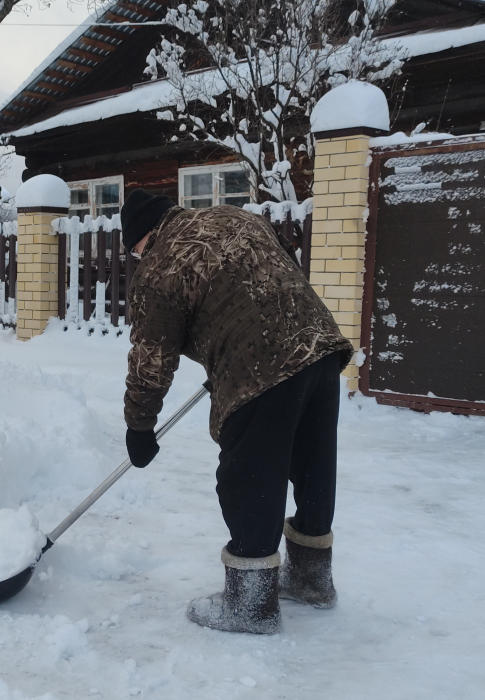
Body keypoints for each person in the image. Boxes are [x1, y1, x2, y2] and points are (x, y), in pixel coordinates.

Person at [119, 188, 352, 635]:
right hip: (319, 344)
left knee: (248, 475)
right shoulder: (233, 216)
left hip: (261, 367)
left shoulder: (159, 266)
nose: (137, 258)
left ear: (144, 237)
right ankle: (310, 579)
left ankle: (250, 605)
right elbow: (269, 275)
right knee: (312, 464)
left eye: (135, 250)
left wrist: (139, 426)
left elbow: (151, 357)